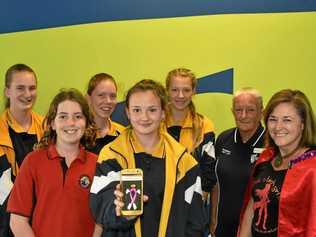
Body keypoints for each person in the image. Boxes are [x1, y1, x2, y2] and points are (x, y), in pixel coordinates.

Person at [90, 79, 206, 237]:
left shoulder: (185, 162)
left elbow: (195, 222)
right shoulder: (112, 154)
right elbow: (101, 206)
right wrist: (123, 213)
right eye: (137, 110)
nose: (144, 117)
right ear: (127, 112)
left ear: (163, 112)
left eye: (152, 110)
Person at [7, 89, 98, 237]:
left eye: (78, 116)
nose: (71, 123)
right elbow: (17, 220)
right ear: (52, 124)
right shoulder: (32, 162)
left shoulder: (97, 164)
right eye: (63, 116)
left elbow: (100, 221)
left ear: (86, 123)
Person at [239, 89, 316, 237]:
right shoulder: (266, 158)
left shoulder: (312, 168)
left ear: (303, 124)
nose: (278, 127)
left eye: (287, 120)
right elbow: (250, 209)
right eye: (273, 119)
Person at [211, 88, 265, 237]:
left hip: (257, 230)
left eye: (250, 110)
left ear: (261, 112)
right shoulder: (223, 139)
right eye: (238, 110)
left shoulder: (271, 144)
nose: (243, 115)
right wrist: (213, 219)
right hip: (223, 229)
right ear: (232, 111)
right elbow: (216, 183)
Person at [0, 64, 43, 237]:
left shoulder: (49, 128)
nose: (27, 94)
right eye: (20, 88)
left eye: (32, 88)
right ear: (7, 91)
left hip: (42, 223)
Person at [165, 68, 216, 195]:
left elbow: (208, 169)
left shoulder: (204, 125)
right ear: (167, 91)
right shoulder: (155, 123)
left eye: (186, 90)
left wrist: (199, 199)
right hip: (158, 199)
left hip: (192, 200)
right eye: (175, 90)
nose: (180, 95)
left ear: (194, 91)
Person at [86, 73, 125, 154]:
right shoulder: (78, 134)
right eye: (101, 95)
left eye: (112, 96)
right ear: (89, 98)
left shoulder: (123, 134)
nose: (108, 101)